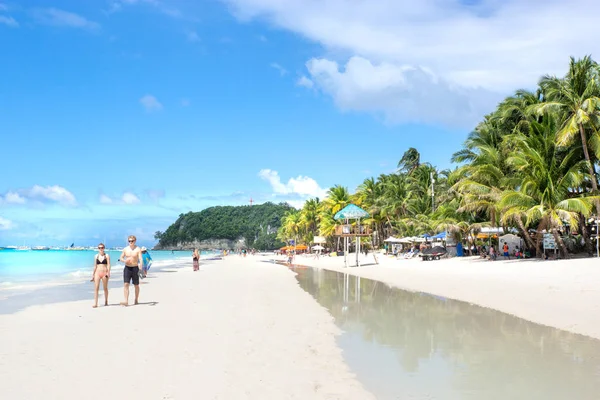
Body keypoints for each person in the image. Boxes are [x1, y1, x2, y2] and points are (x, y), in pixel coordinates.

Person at [119, 235, 143, 306]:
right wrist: (125, 261)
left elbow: (140, 259)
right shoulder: (125, 249)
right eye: (129, 241)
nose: (130, 242)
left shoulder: (138, 249)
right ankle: (126, 301)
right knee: (126, 284)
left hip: (135, 268)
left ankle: (136, 299)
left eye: (132, 241)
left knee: (136, 285)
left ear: (135, 241)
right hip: (127, 268)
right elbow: (121, 257)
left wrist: (141, 268)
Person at [91, 243, 111, 308]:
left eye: (102, 247)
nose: (101, 249)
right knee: (96, 288)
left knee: (105, 288)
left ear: (104, 248)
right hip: (97, 273)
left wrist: (108, 272)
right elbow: (95, 266)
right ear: (98, 249)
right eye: (99, 248)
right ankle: (95, 303)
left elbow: (108, 264)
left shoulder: (107, 255)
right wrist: (93, 275)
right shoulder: (96, 256)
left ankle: (106, 301)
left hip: (104, 273)